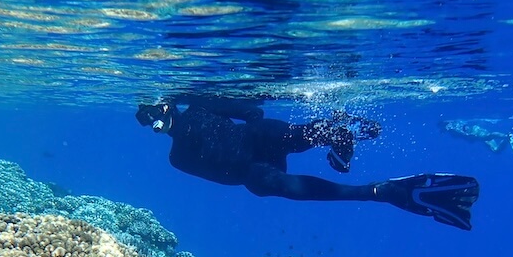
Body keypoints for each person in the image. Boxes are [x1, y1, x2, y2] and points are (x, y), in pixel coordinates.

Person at [136, 97, 480, 230]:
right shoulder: (195, 109)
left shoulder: (177, 156)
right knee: (292, 138)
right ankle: (334, 132)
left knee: (273, 178)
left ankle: (376, 190)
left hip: (251, 168)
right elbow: (251, 112)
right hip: (254, 148)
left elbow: (223, 175)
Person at [439, 116, 513, 157]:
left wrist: (468, 135)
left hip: (474, 132)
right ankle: (507, 136)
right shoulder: (452, 125)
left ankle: (506, 135)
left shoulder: (451, 127)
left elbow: (461, 131)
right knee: (496, 150)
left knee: (488, 136)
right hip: (474, 133)